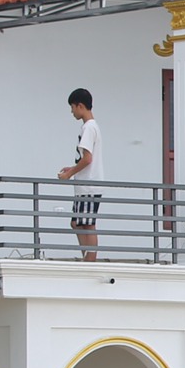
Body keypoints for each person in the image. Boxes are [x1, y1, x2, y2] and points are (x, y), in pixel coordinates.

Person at [60, 88, 103, 261]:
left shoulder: (89, 128)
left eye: (72, 107)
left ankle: (90, 260)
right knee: (76, 222)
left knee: (88, 224)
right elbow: (84, 159)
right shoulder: (90, 127)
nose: (72, 112)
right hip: (84, 184)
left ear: (80, 106)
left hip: (89, 185)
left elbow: (87, 159)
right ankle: (87, 256)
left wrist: (70, 173)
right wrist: (71, 168)